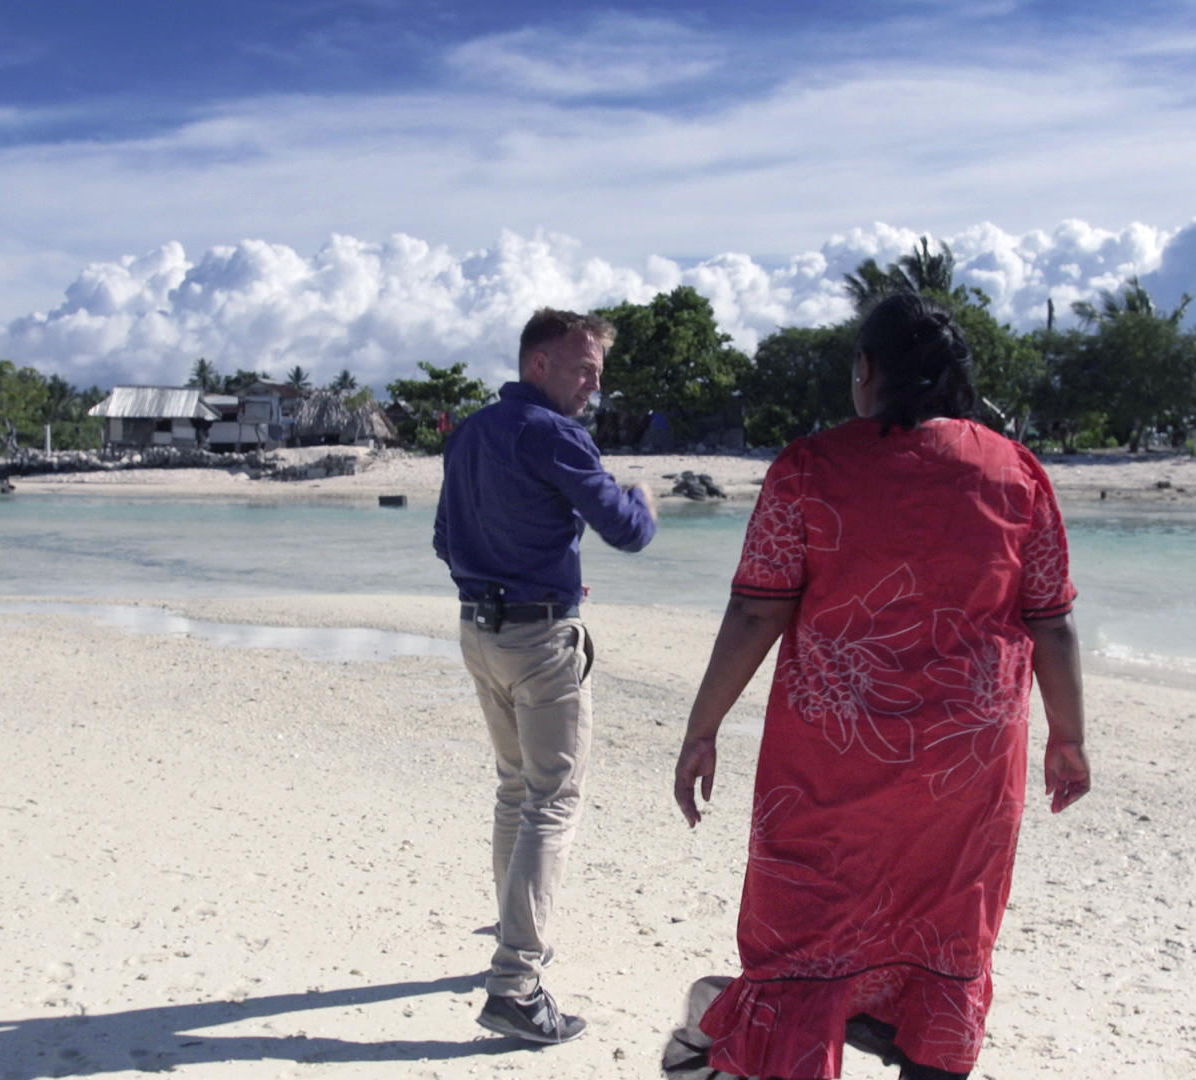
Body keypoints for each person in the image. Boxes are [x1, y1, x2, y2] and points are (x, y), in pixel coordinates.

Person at [668, 292, 1090, 1080]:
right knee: (945, 938)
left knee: (807, 942)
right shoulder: (1017, 473)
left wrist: (703, 726)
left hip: (830, 766)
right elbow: (1052, 622)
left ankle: (744, 1036)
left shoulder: (810, 468)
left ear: (867, 372)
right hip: (966, 774)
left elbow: (758, 611)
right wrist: (1069, 737)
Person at [434, 307, 658, 1044]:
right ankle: (517, 982)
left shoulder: (471, 432)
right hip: (537, 636)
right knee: (552, 802)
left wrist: (502, 569)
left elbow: (444, 537)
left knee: (515, 788)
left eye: (598, 369)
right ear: (540, 364)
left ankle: (513, 928)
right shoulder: (552, 433)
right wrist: (645, 499)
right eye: (585, 366)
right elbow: (625, 530)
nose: (595, 383)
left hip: (479, 627)